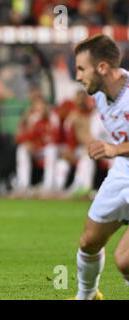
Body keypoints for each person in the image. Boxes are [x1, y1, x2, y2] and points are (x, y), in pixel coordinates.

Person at [71, 34, 129, 300]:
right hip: (122, 172)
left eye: (82, 68)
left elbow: (115, 144)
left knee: (125, 261)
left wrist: (114, 149)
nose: (78, 76)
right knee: (89, 242)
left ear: (103, 67)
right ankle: (88, 296)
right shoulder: (100, 97)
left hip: (121, 160)